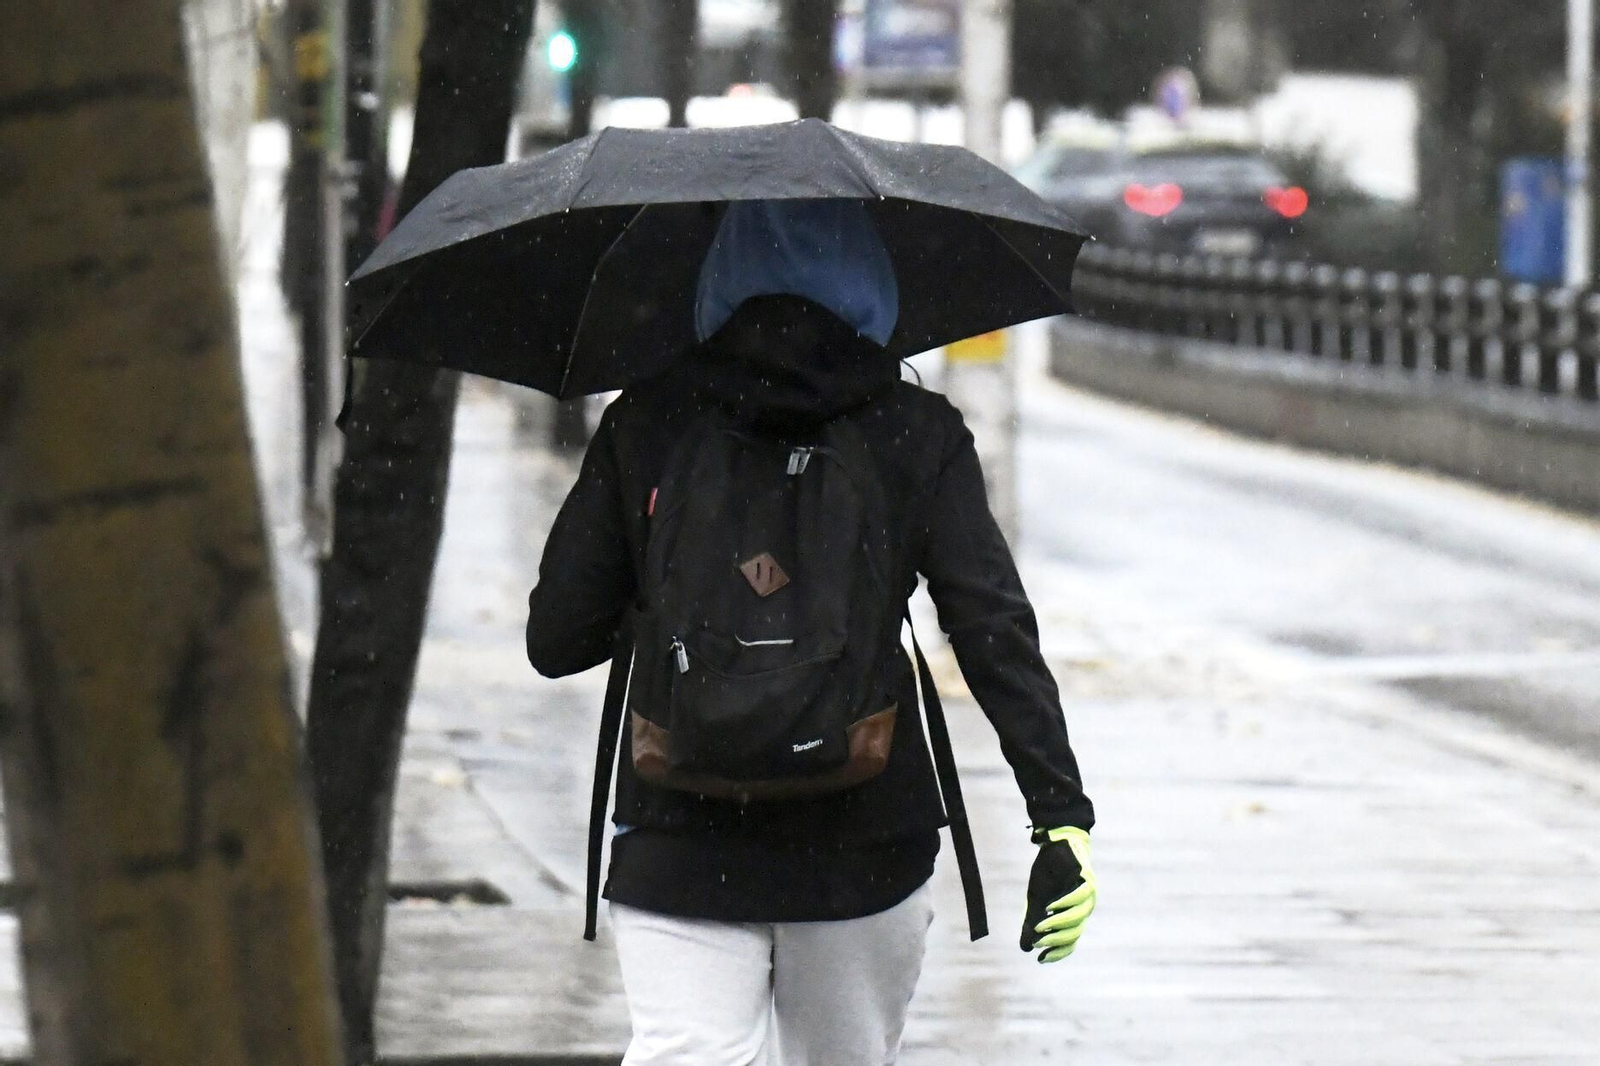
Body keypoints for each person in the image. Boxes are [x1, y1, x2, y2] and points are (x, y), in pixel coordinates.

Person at [526, 199, 1096, 1066]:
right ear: (871, 278)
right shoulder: (916, 430)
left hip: (680, 831)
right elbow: (990, 627)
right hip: (861, 841)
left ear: (718, 276)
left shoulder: (648, 419)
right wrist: (1059, 815)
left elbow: (556, 639)